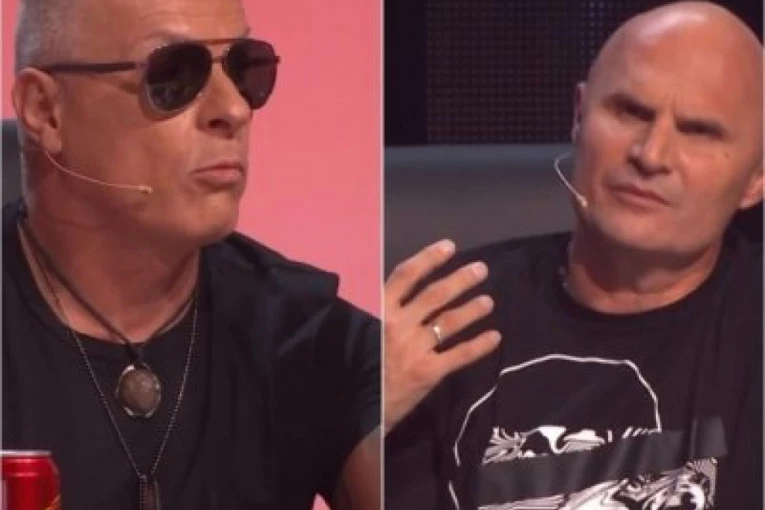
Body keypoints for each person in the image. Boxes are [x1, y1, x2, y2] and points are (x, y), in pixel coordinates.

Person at [2, 0, 380, 509]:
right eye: (174, 74)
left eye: (244, 68)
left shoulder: (309, 338)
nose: (234, 109)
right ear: (46, 111)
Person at [384, 2, 762, 509]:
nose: (650, 155)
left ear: (757, 177)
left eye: (698, 131)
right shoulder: (444, 316)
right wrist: (365, 411)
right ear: (579, 114)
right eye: (630, 112)